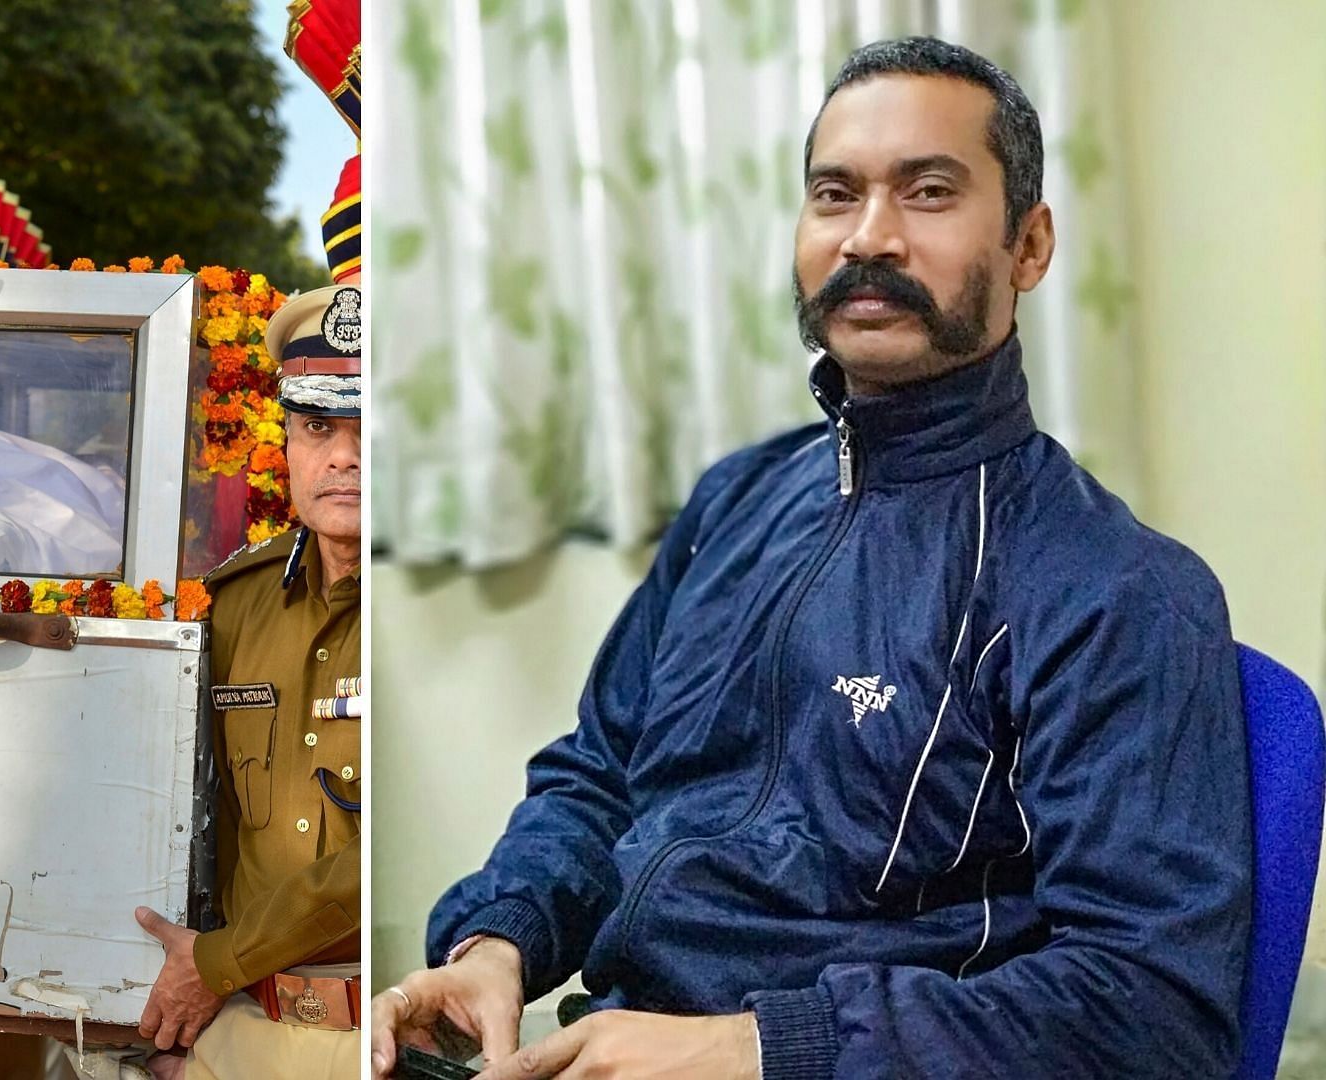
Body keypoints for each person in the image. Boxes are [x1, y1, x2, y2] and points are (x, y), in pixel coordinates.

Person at [373, 36, 1251, 1080]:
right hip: (604, 1037)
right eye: (834, 194)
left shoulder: (1115, 589)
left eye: (929, 191)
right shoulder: (735, 501)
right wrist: (502, 942)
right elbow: (600, 773)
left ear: (1030, 244)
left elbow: (1150, 1009)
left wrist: (764, 1049)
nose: (868, 237)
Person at [132, 280, 363, 1080]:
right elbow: (191, 819)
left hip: (394, 1035)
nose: (344, 456)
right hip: (241, 1032)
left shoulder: (450, 619)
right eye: (318, 426)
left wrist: (215, 965)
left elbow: (393, 858)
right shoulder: (235, 604)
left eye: (375, 426)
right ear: (289, 443)